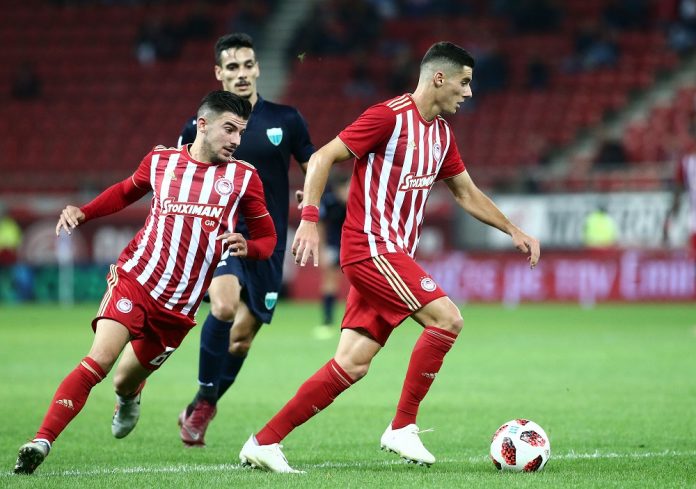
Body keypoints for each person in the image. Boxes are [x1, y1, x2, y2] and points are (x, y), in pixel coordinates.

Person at [237, 41, 541, 473]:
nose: (469, 92)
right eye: (464, 82)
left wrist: (512, 229)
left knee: (352, 363)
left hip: (390, 254)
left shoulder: (441, 135)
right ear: (439, 78)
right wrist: (308, 219)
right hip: (370, 247)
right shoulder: (389, 117)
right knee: (447, 319)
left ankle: (265, 442)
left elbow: (466, 193)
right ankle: (402, 426)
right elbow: (323, 156)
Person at [13, 90, 277, 475]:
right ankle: (41, 441)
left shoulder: (244, 178)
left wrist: (248, 247)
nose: (236, 140)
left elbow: (268, 240)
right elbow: (125, 192)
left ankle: (130, 395)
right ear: (203, 125)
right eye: (229, 129)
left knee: (123, 380)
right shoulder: (161, 161)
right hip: (136, 280)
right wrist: (84, 213)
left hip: (179, 308)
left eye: (241, 132)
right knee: (99, 361)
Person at [176, 33, 314, 447]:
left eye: (247, 65)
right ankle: (205, 399)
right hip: (221, 233)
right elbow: (179, 175)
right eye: (232, 67)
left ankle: (201, 403)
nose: (241, 73)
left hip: (268, 241)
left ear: (257, 69)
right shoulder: (198, 127)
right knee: (224, 306)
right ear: (218, 73)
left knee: (241, 337)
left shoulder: (287, 119)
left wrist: (311, 196)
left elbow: (315, 164)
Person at [313, 173, 349, 340]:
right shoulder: (328, 201)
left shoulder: (358, 199)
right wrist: (321, 250)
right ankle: (327, 321)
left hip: (355, 245)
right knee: (330, 280)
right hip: (334, 245)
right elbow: (320, 225)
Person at [665, 149, 696, 255]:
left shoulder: (687, 163)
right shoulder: (686, 163)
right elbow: (677, 196)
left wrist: (669, 221)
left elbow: (677, 197)